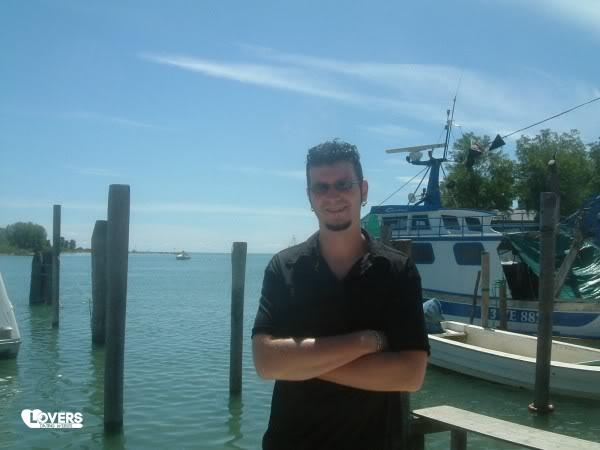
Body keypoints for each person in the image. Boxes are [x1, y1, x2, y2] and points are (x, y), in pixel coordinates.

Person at [252, 140, 429, 450]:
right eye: (320, 187)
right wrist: (366, 342)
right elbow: (266, 362)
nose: (332, 195)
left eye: (343, 184)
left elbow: (410, 375)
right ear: (309, 197)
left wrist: (300, 364)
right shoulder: (284, 267)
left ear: (363, 190)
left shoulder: (397, 271)